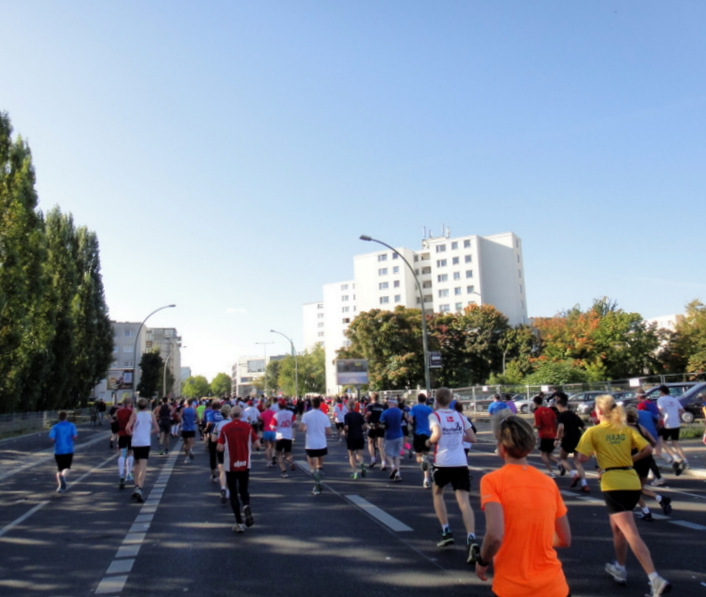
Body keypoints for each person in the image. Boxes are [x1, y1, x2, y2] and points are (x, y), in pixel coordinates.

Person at [576, 394, 670, 597]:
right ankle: (620, 566)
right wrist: (631, 458)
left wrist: (595, 453)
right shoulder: (625, 429)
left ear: (598, 411)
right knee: (617, 528)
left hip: (613, 483)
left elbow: (581, 458)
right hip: (631, 479)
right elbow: (647, 448)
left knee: (629, 531)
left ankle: (654, 578)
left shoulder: (594, 432)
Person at [475, 414, 571, 596]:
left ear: (502, 448)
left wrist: (482, 560)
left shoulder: (492, 481)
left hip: (513, 588)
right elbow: (564, 538)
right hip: (554, 586)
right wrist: (535, 539)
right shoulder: (548, 483)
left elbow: (495, 535)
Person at [428, 387, 479, 565]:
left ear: (436, 401)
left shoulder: (435, 416)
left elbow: (437, 434)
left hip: (442, 462)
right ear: (450, 400)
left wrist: (429, 441)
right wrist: (457, 438)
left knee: (437, 493)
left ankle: (446, 530)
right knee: (464, 502)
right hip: (460, 462)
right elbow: (472, 438)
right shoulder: (460, 416)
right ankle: (471, 537)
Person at [217, 405, 260, 533]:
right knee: (244, 489)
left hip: (230, 464)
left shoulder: (225, 428)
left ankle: (239, 522)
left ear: (230, 416)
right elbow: (257, 444)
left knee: (234, 493)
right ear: (241, 416)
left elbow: (219, 447)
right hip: (245, 463)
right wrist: (250, 447)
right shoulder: (248, 426)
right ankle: (246, 506)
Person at [625, 407, 672, 521]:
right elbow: (653, 441)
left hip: (635, 459)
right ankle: (660, 499)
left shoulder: (626, 430)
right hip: (647, 459)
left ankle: (647, 511)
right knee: (639, 488)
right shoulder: (641, 427)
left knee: (633, 489)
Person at [553, 392, 589, 492]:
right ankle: (584, 484)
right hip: (578, 438)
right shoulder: (575, 415)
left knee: (563, 458)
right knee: (577, 462)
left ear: (559, 406)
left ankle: (573, 474)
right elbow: (585, 427)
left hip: (567, 439)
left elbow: (561, 427)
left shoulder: (561, 416)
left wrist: (557, 439)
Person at [125, 397, 159, 503]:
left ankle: (136, 486)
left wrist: (133, 434)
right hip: (145, 442)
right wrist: (148, 433)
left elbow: (127, 428)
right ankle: (140, 487)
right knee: (143, 465)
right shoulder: (151, 414)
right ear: (147, 405)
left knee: (137, 464)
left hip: (135, 442)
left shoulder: (135, 414)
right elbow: (157, 429)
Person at [299, 396, 332, 495]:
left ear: (311, 404)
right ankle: (319, 480)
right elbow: (328, 431)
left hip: (310, 443)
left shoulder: (306, 415)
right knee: (320, 463)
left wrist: (306, 429)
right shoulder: (324, 416)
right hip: (321, 443)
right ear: (320, 404)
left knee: (312, 465)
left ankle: (317, 483)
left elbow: (301, 428)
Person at [656, 385, 688, 473]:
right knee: (676, 443)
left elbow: (660, 409)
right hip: (676, 423)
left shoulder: (661, 399)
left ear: (662, 392)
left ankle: (676, 458)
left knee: (663, 442)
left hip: (667, 423)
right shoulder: (674, 399)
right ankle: (685, 460)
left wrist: (662, 416)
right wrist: (676, 414)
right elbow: (682, 410)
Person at [49, 411, 77, 494]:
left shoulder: (55, 427)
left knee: (60, 468)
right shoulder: (71, 425)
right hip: (68, 449)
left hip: (58, 450)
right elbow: (75, 436)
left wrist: (57, 440)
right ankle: (62, 477)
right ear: (66, 417)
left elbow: (51, 438)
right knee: (67, 467)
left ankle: (60, 486)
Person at [410, 393, 434, 488]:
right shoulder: (429, 409)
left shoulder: (414, 408)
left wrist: (412, 423)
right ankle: (427, 477)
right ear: (425, 400)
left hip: (418, 433)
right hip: (428, 434)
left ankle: (426, 477)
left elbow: (410, 419)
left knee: (419, 457)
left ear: (418, 399)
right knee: (426, 455)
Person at [379, 396, 405, 482]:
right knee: (397, 455)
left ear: (389, 404)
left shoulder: (385, 413)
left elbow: (381, 425)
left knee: (387, 454)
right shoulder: (399, 411)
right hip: (399, 435)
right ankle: (398, 474)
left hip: (390, 435)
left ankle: (393, 466)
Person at [533, 394, 560, 475]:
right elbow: (556, 421)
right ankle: (559, 463)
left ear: (535, 403)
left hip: (543, 435)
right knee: (548, 453)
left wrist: (533, 426)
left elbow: (538, 425)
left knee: (543, 454)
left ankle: (551, 472)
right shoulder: (550, 410)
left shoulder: (537, 412)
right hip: (552, 434)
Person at [343, 398, 367, 479]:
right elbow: (364, 426)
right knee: (359, 454)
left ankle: (355, 472)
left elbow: (346, 427)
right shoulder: (359, 415)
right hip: (359, 436)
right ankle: (362, 464)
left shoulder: (347, 416)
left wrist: (345, 432)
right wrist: (361, 429)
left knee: (351, 454)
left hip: (351, 437)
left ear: (347, 407)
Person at [273, 399, 296, 477]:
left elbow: (272, 426)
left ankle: (284, 471)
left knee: (278, 454)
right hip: (288, 436)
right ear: (286, 405)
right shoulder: (290, 413)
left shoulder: (276, 415)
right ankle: (290, 461)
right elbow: (295, 423)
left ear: (279, 406)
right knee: (287, 454)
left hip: (279, 436)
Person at [115, 397, 134, 490]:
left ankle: (121, 474)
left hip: (121, 433)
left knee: (122, 453)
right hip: (130, 433)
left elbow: (114, 419)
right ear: (130, 403)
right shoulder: (131, 412)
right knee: (130, 452)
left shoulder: (119, 412)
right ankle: (129, 473)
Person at [365, 392, 386, 469]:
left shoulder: (370, 406)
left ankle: (373, 459)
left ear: (371, 398)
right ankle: (383, 462)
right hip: (381, 425)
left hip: (372, 425)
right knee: (380, 445)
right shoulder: (382, 406)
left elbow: (369, 413)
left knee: (370, 442)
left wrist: (365, 416)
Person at [179, 399, 198, 464]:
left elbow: (179, 417)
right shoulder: (194, 410)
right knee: (191, 442)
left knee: (185, 443)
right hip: (192, 428)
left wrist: (181, 421)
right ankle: (190, 450)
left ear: (186, 403)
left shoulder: (183, 410)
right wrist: (195, 421)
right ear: (191, 403)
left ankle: (186, 457)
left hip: (184, 428)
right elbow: (198, 419)